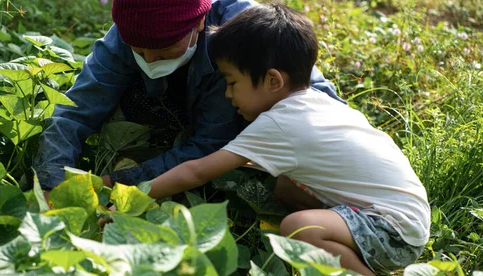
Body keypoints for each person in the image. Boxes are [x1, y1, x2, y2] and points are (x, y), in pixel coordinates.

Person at [145, 4, 431, 276]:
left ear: (272, 80)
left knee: (296, 228)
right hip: (405, 215)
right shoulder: (315, 103)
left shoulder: (279, 124)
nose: (229, 95)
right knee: (285, 186)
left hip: (394, 232)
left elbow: (197, 171)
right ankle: (342, 251)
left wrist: (136, 197)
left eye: (231, 83)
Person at [33, 0, 343, 192]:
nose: (150, 61)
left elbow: (208, 147)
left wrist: (116, 183)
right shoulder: (127, 32)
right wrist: (52, 184)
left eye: (165, 49)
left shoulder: (243, 36)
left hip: (282, 135)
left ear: (199, 22)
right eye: (138, 51)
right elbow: (73, 111)